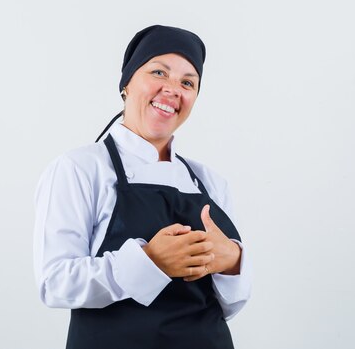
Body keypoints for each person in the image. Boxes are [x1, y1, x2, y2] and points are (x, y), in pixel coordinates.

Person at [33, 25, 251, 349]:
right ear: (126, 84)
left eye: (187, 82)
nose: (172, 89)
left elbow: (229, 307)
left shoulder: (211, 183)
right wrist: (149, 261)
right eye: (159, 72)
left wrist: (232, 260)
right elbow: (55, 283)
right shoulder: (80, 169)